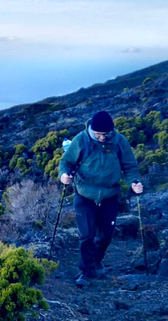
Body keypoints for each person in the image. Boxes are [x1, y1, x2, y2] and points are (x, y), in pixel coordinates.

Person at [58, 110, 143, 287]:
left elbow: (130, 166)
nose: (102, 138)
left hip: (109, 195)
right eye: (98, 134)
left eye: (106, 134)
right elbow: (66, 162)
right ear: (92, 131)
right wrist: (63, 176)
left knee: (106, 234)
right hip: (85, 194)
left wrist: (134, 182)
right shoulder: (81, 140)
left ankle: (97, 262)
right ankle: (87, 272)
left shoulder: (119, 141)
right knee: (87, 234)